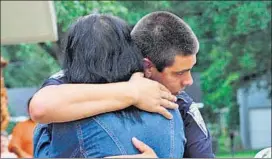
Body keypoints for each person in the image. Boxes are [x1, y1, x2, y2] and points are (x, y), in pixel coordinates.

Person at [29, 11, 214, 158]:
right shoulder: (173, 109)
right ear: (147, 65)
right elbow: (41, 107)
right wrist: (133, 92)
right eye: (179, 72)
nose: (189, 81)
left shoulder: (180, 103)